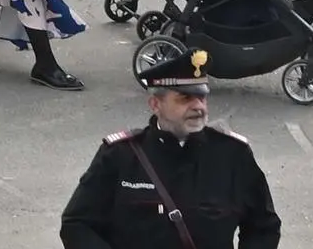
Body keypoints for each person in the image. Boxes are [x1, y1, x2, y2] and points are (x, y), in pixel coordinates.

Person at [58, 45, 285, 247]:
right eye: (185, 98)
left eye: (202, 98)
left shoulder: (233, 154)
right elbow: (77, 225)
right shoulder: (120, 155)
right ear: (156, 104)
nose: (199, 107)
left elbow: (264, 227)